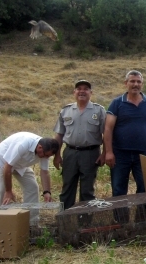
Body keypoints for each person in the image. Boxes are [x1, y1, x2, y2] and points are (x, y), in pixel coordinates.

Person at [53, 80, 106, 210]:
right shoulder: (66, 111)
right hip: (70, 153)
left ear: (91, 93)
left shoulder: (99, 111)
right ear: (74, 92)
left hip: (90, 153)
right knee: (67, 188)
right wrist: (57, 155)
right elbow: (59, 134)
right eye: (79, 89)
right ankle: (65, 219)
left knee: (87, 190)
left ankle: (84, 221)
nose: (82, 91)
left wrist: (105, 153)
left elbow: (107, 134)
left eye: (86, 89)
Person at [104, 70, 146, 196]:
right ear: (126, 83)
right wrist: (109, 152)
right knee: (119, 189)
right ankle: (120, 216)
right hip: (120, 154)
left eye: (138, 82)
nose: (135, 84)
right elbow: (108, 129)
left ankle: (141, 215)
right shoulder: (117, 103)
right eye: (132, 81)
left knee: (144, 187)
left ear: (142, 84)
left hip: (142, 153)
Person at [0, 132, 59, 210]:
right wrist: (8, 191)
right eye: (46, 155)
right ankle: (0, 218)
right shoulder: (23, 144)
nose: (46, 158)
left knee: (32, 187)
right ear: (39, 147)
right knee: (1, 190)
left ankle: (31, 219)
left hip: (20, 165)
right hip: (0, 161)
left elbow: (44, 172)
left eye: (49, 156)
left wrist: (47, 192)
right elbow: (7, 167)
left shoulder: (45, 151)